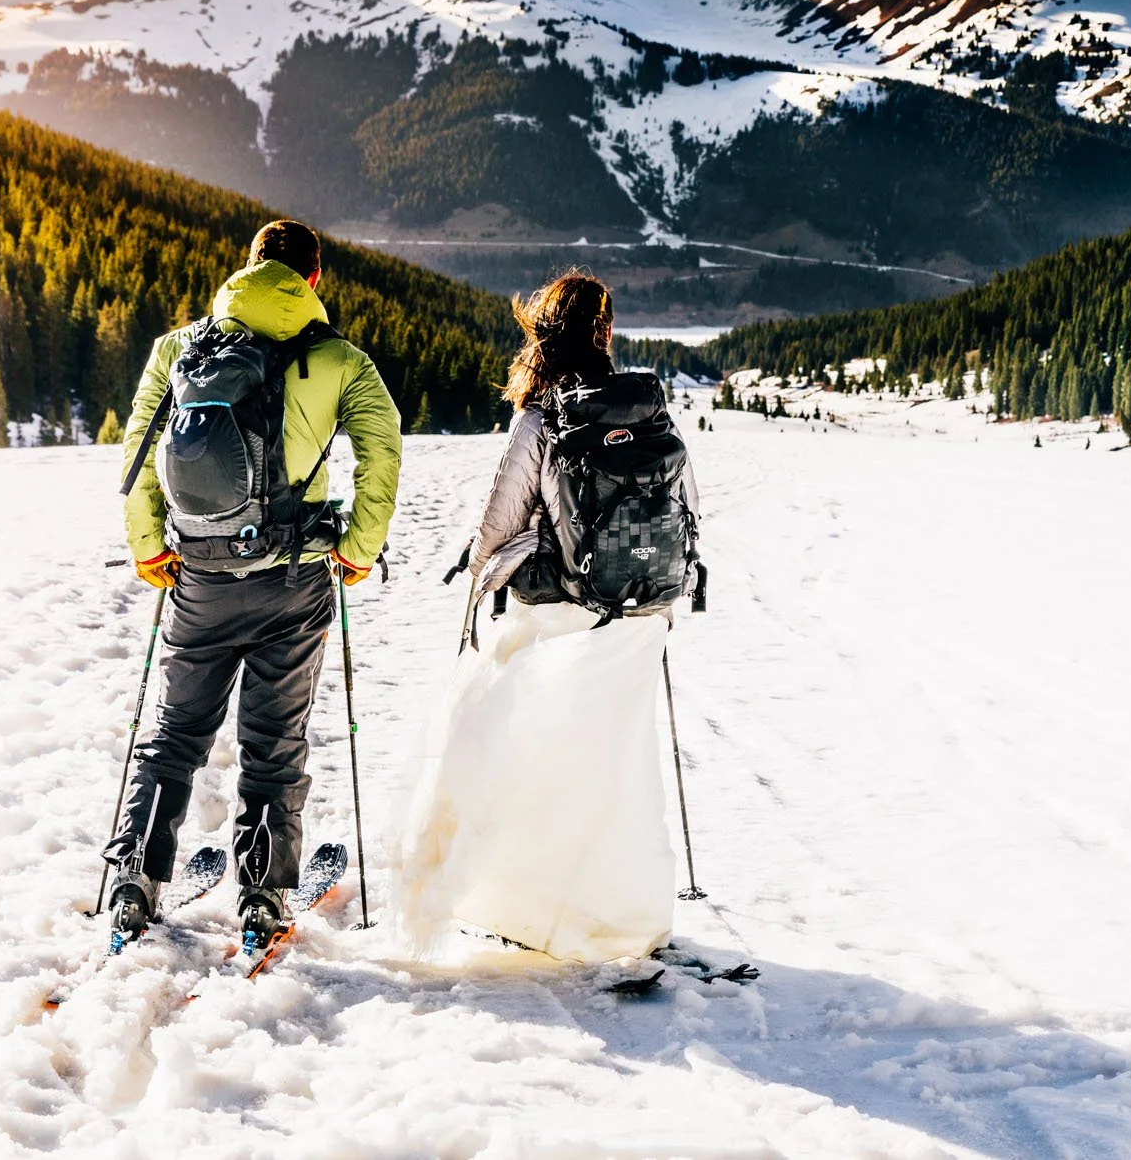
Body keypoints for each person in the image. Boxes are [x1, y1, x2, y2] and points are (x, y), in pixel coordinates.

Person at [106, 219, 401, 948]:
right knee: (274, 745)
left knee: (173, 735)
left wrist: (150, 548)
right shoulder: (340, 358)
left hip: (198, 575)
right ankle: (263, 896)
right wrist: (357, 550)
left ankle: (133, 884)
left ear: (246, 267)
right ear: (314, 279)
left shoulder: (179, 349)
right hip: (293, 583)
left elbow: (139, 451)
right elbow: (383, 450)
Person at [395, 273, 700, 963]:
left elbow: (500, 520)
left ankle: (521, 907)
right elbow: (689, 509)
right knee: (621, 764)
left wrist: (480, 575)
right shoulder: (652, 411)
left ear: (545, 331)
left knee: (513, 740)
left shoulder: (545, 416)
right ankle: (625, 917)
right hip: (643, 612)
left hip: (564, 609)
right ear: (606, 331)